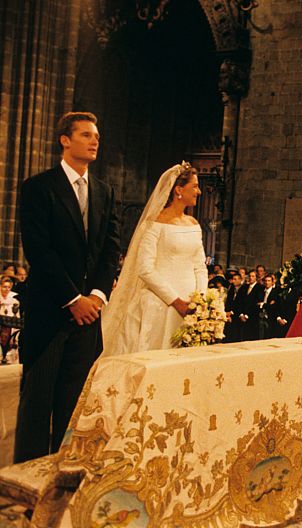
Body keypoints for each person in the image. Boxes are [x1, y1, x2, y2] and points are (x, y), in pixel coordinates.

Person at [15, 112, 121, 462]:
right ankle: (26, 482)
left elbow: (110, 249)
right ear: (65, 139)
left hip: (89, 317)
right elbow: (39, 251)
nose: (95, 141)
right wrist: (73, 298)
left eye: (97, 136)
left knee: (73, 407)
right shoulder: (38, 187)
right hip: (50, 312)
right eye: (86, 135)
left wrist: (97, 296)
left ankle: (61, 476)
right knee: (36, 407)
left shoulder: (104, 192)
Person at [101, 162, 207, 360]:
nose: (199, 191)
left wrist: (200, 300)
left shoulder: (194, 224)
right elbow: (145, 269)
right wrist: (176, 301)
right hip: (161, 304)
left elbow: (200, 266)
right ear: (178, 190)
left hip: (192, 309)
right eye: (194, 186)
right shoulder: (155, 224)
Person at [241, 270, 265, 341]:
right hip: (243, 316)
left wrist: (247, 315)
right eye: (250, 276)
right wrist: (241, 314)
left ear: (256, 278)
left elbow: (257, 303)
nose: (251, 278)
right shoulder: (245, 287)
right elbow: (241, 302)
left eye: (253, 276)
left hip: (253, 317)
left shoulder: (260, 288)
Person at [225, 272, 246, 342]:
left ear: (240, 280)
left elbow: (241, 303)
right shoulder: (231, 289)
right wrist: (227, 312)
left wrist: (232, 312)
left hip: (237, 314)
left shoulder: (244, 289)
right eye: (233, 279)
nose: (233, 281)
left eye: (235, 279)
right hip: (229, 315)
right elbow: (228, 301)